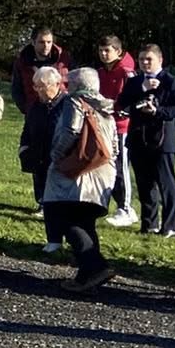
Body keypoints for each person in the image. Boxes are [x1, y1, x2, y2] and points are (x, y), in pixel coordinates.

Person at [41, 67, 118, 291]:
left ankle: (97, 266)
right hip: (103, 171)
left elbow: (70, 131)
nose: (66, 87)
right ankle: (86, 278)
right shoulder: (106, 108)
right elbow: (114, 146)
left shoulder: (75, 102)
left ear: (78, 85)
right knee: (85, 222)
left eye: (70, 83)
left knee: (67, 219)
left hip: (78, 172)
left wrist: (56, 155)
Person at [119, 43, 175, 238]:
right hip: (138, 138)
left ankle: (170, 226)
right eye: (141, 59)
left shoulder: (171, 81)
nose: (145, 63)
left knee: (166, 184)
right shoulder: (135, 82)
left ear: (160, 60)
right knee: (144, 184)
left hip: (162, 140)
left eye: (149, 59)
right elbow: (122, 104)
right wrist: (142, 89)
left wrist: (158, 111)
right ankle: (149, 224)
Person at [19, 64, 66, 254]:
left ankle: (64, 239)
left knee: (60, 203)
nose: (37, 90)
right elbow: (27, 128)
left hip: (61, 161)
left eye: (42, 86)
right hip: (39, 159)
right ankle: (53, 238)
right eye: (35, 86)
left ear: (56, 84)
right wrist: (24, 148)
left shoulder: (67, 105)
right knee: (46, 200)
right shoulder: (36, 105)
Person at [94, 35, 138, 228]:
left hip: (122, 127)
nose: (103, 54)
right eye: (101, 50)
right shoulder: (100, 72)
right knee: (106, 166)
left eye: (107, 50)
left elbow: (133, 99)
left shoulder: (127, 73)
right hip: (103, 125)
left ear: (118, 51)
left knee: (121, 168)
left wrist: (118, 108)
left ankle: (126, 208)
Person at [10, 26, 70, 115]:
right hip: (34, 113)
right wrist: (27, 109)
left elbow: (75, 83)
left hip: (61, 112)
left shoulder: (64, 59)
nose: (46, 46)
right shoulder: (22, 62)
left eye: (49, 42)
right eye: (42, 42)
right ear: (33, 42)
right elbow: (16, 89)